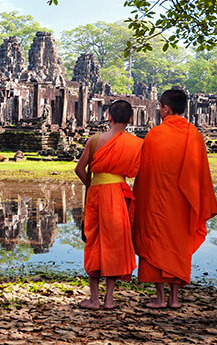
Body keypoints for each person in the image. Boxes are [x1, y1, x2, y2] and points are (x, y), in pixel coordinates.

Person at [132, 89, 217, 309]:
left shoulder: (155, 134)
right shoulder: (195, 135)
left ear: (166, 109)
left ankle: (160, 298)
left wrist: (139, 200)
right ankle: (174, 299)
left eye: (160, 107)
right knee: (178, 246)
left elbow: (145, 173)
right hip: (183, 203)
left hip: (156, 202)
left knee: (155, 244)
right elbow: (200, 174)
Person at [74, 100, 143, 309]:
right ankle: (109, 300)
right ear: (131, 120)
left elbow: (79, 169)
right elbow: (138, 171)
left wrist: (94, 183)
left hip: (97, 194)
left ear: (109, 117)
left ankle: (93, 299)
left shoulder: (94, 140)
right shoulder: (136, 143)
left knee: (94, 240)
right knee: (115, 243)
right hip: (118, 193)